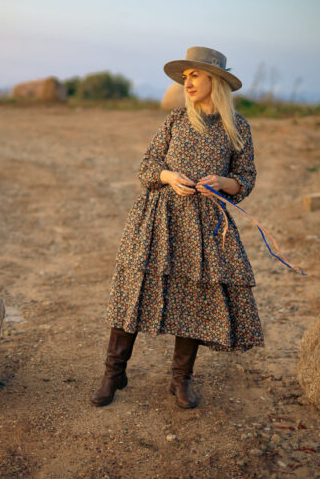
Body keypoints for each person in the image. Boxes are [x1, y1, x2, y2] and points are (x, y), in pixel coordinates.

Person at [90, 47, 264, 409]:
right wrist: (168, 176)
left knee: (195, 300)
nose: (188, 82)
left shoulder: (238, 127)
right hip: (158, 218)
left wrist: (223, 182)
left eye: (195, 75)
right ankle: (113, 374)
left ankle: (180, 380)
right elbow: (147, 167)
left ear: (214, 81)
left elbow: (246, 179)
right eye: (186, 76)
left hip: (204, 224)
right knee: (134, 292)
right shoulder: (174, 120)